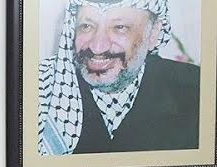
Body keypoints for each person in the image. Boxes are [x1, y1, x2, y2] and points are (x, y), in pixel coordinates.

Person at [38, 0, 200, 155]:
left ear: (152, 34)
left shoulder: (197, 90)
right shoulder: (42, 88)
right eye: (86, 26)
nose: (97, 47)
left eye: (119, 27)